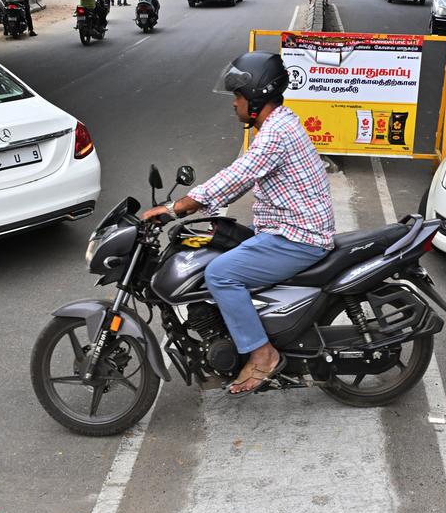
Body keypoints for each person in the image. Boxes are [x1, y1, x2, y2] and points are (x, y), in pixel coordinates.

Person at [140, 52, 335, 396]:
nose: (234, 104)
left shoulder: (277, 133)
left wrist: (178, 207)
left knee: (220, 274)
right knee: (219, 250)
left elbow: (238, 175)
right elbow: (244, 177)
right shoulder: (279, 124)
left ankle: (263, 354)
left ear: (256, 98)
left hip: (299, 238)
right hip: (288, 230)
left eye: (238, 96)